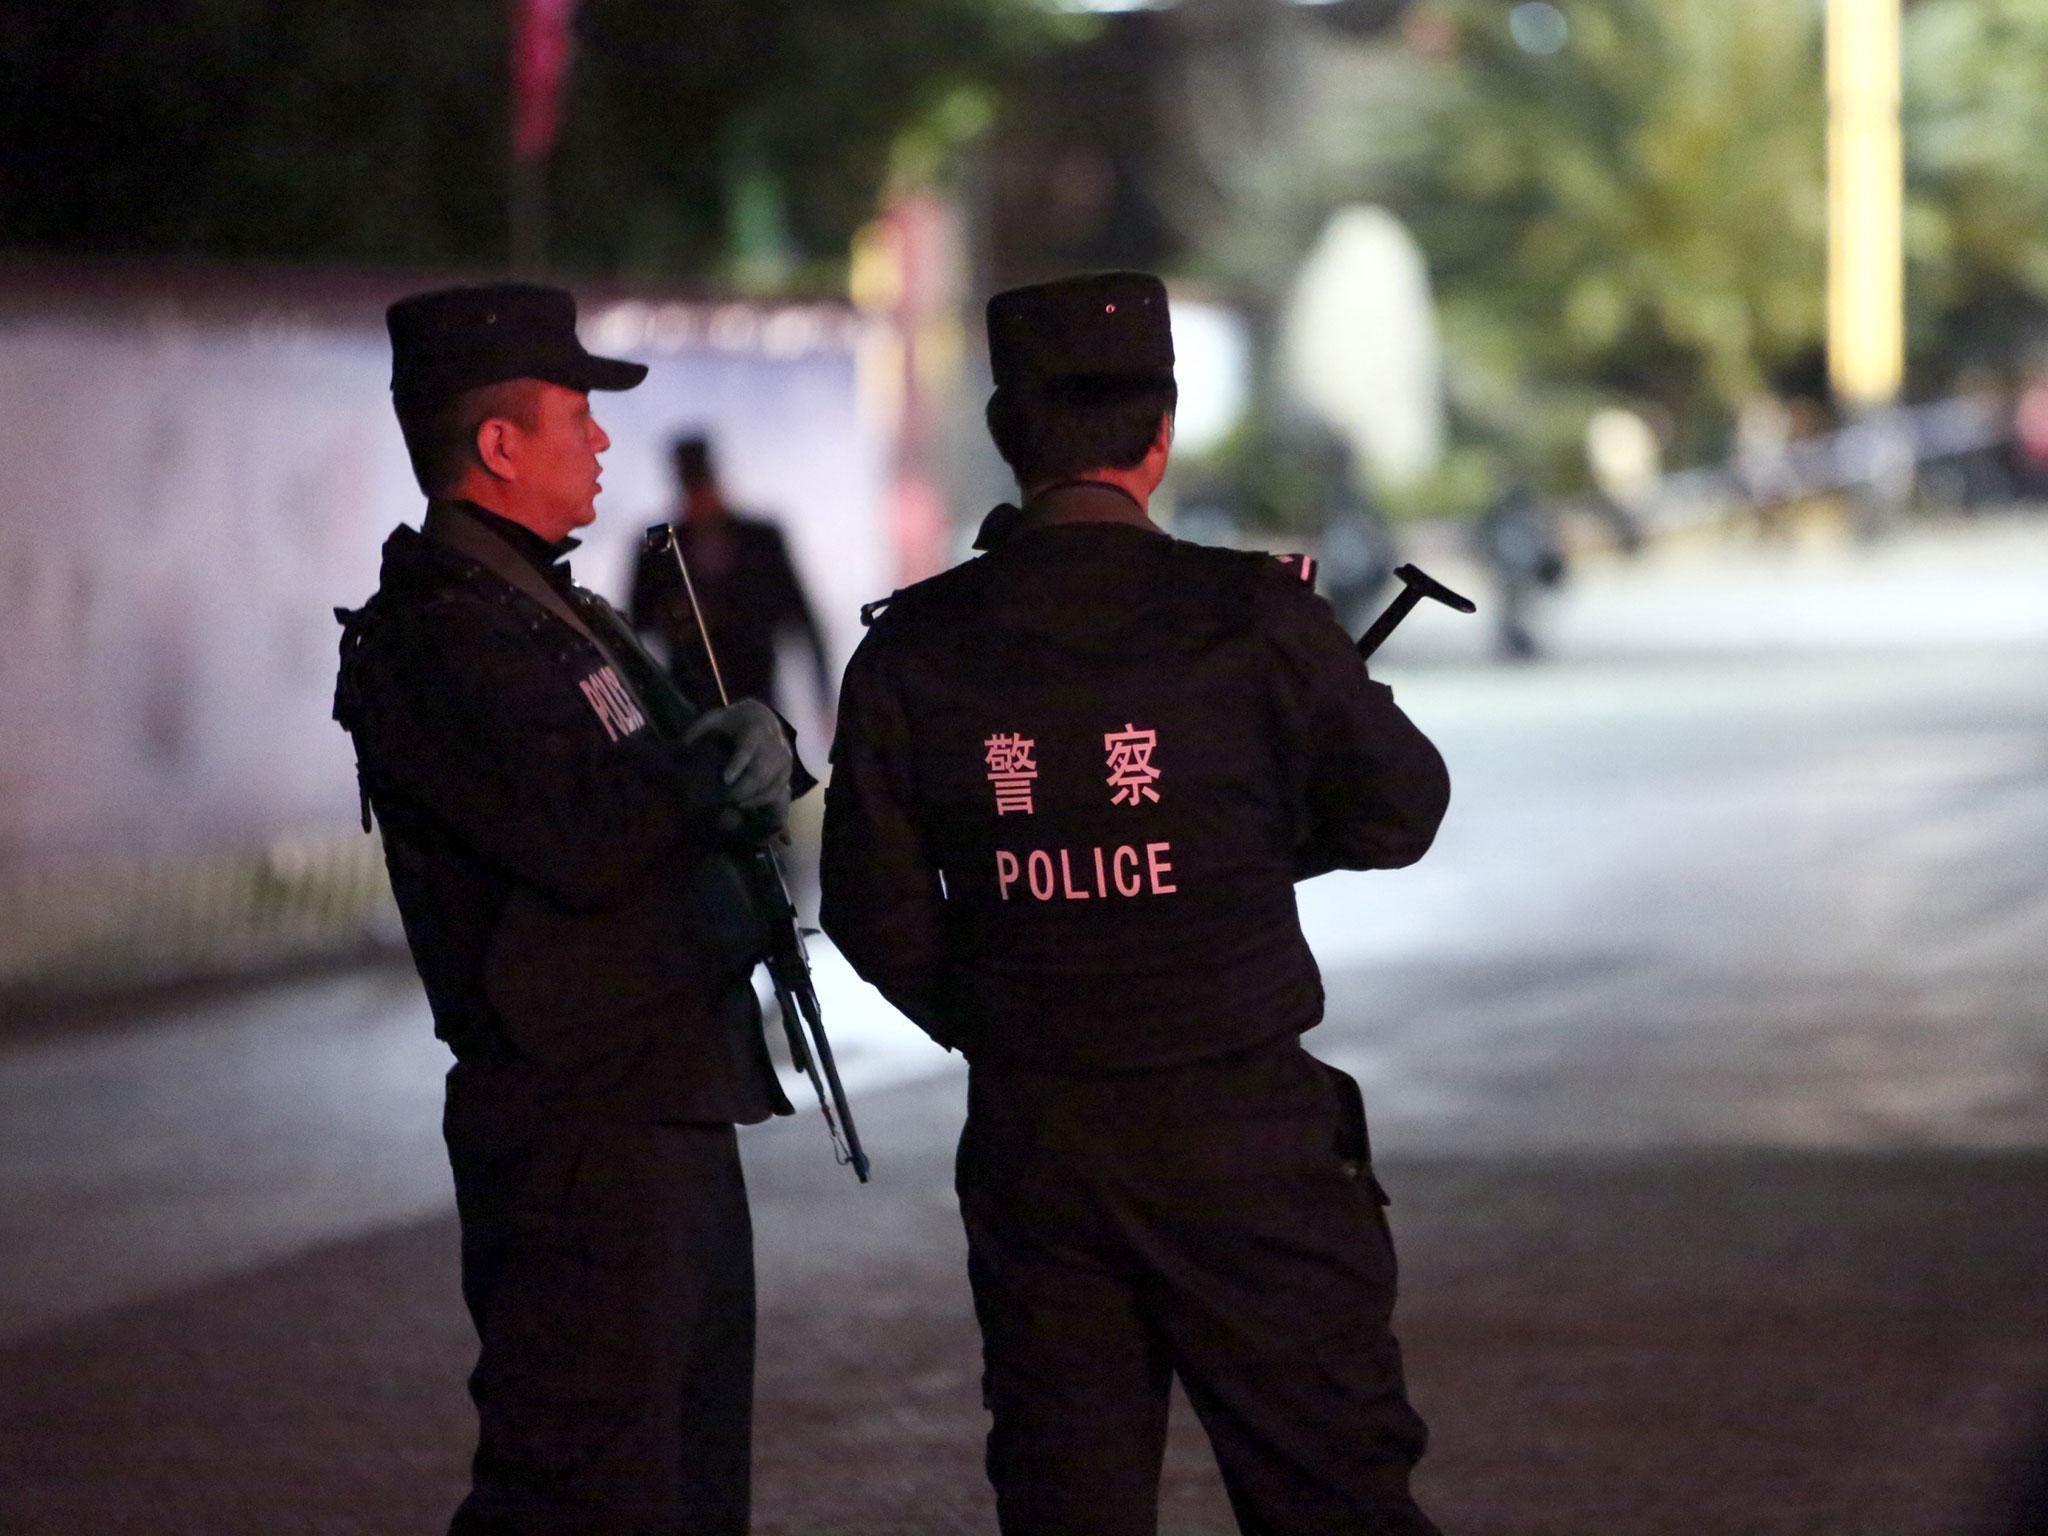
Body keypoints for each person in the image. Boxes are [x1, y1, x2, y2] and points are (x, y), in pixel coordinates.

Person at [820, 271, 1451, 1536]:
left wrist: (1001, 1010)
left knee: (1068, 1500)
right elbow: (1401, 808)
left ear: (1008, 441)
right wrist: (1247, 848)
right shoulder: (1254, 618)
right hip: (1244, 1140)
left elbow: (867, 906)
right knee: (1330, 1491)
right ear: (1158, 435)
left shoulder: (914, 648)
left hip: (1036, 1141)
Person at [331, 283, 812, 1536]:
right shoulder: (441, 633)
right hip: (576, 1128)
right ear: (498, 444)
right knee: (584, 1484)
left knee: (685, 1477)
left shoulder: (554, 605)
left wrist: (744, 754)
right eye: (577, 415)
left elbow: (651, 777)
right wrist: (714, 768)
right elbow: (580, 832)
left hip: (660, 1100)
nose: (603, 442)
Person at [630, 432, 831, 719]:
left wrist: (824, 697)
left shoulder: (761, 540)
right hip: (692, 714)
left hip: (759, 704)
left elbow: (803, 618)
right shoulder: (658, 550)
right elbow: (638, 625)